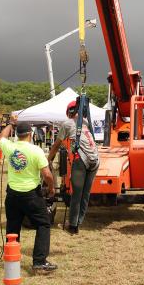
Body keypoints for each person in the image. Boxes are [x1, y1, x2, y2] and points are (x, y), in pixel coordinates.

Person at [0, 115, 57, 272]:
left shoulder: (10, 147)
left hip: (12, 195)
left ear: (17, 134)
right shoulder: (36, 150)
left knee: (13, 227)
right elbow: (47, 174)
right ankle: (39, 261)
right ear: (30, 134)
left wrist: (11, 123)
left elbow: (2, 136)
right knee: (43, 224)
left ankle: (12, 260)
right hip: (31, 195)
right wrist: (51, 188)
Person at [48, 100, 99, 235]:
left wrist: (49, 158)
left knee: (76, 195)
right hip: (95, 159)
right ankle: (78, 222)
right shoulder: (86, 123)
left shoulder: (68, 123)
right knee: (85, 194)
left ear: (69, 113)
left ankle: (72, 226)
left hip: (81, 160)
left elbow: (57, 144)